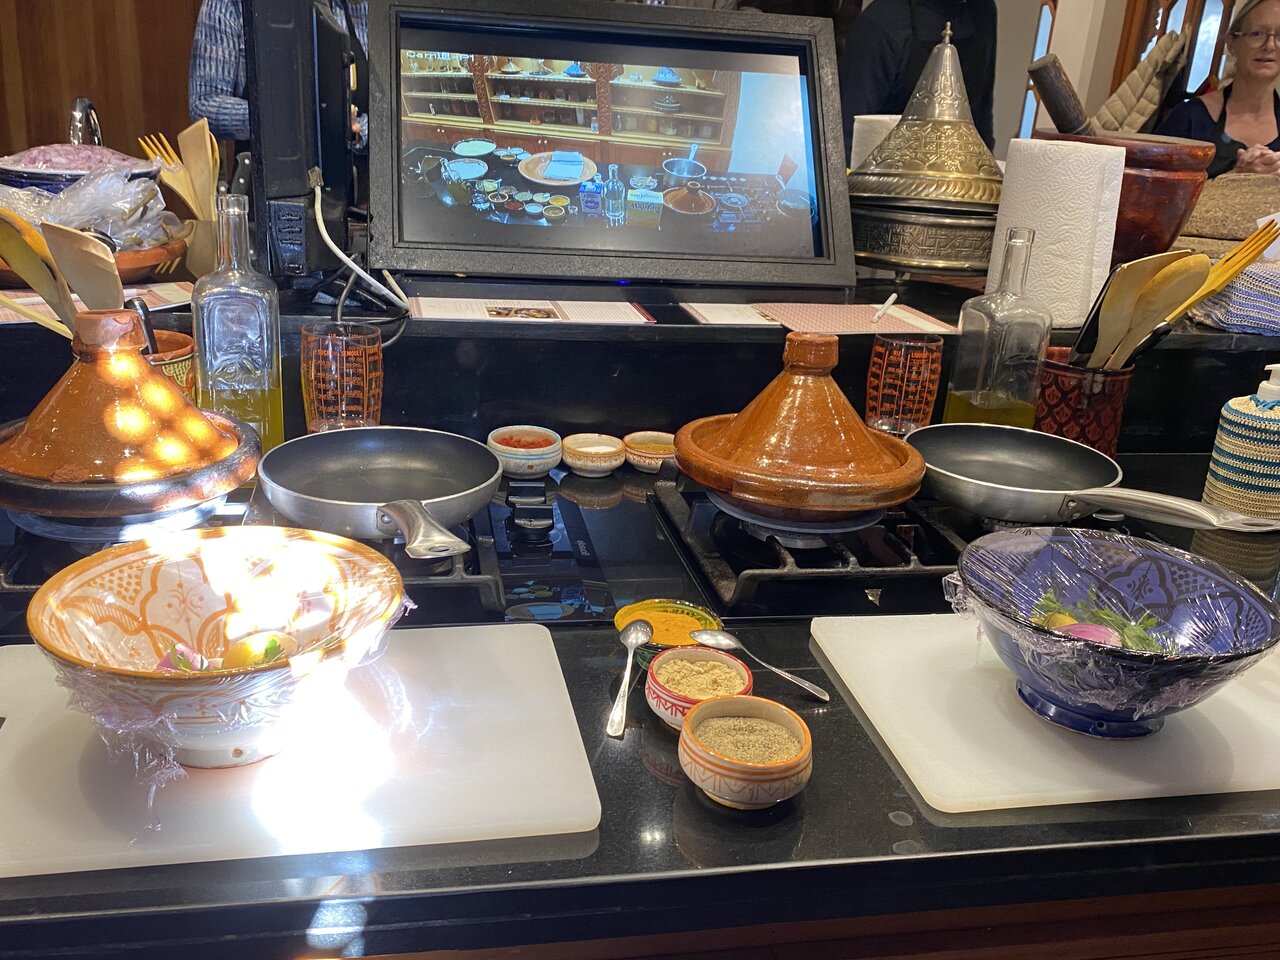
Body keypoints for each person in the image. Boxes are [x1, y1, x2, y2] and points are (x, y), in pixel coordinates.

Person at [189, 0, 369, 144]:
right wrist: (284, 120)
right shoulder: (231, 4)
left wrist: (358, 130)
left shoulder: (358, 7)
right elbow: (203, 104)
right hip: (267, 174)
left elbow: (384, 109)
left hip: (356, 174)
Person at [838, 0, 997, 154]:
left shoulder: (982, 13)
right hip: (888, 167)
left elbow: (981, 125)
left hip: (962, 166)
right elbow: (847, 138)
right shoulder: (884, 20)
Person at [1157, 0, 1280, 178]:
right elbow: (1152, 189)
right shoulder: (1189, 117)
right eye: (1257, 34)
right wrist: (1236, 177)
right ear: (1232, 43)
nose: (1269, 45)